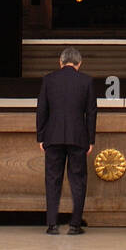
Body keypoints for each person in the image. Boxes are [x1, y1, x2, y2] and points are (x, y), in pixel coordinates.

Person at [36, 46, 98, 235]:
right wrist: (90, 139)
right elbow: (92, 112)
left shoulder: (48, 80)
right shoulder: (86, 81)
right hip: (78, 136)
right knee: (78, 180)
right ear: (79, 63)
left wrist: (40, 136)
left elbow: (41, 110)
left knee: (53, 179)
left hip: (52, 136)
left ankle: (52, 224)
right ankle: (75, 224)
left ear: (60, 62)